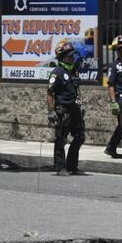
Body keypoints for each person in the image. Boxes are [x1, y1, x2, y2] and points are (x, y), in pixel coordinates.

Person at [47, 39, 86, 177]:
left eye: (73, 55)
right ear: (63, 57)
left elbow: (77, 89)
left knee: (80, 137)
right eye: (69, 55)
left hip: (75, 110)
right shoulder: (56, 73)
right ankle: (60, 167)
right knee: (61, 139)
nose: (72, 57)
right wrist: (51, 111)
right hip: (63, 110)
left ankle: (72, 166)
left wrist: (81, 104)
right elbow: (50, 93)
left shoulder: (74, 72)